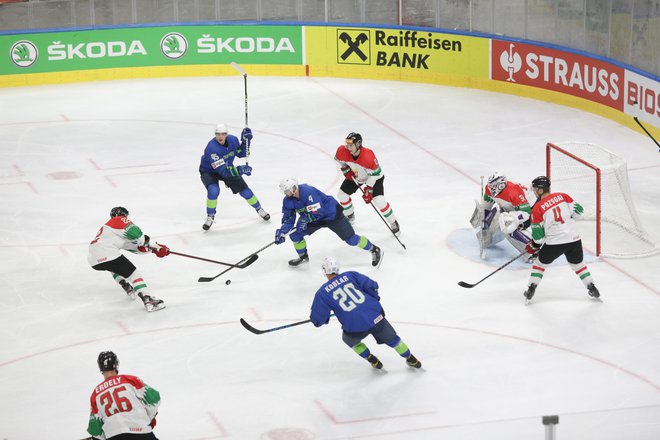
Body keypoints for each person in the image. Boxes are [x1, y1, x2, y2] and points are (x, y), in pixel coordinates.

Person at [310, 257, 421, 370]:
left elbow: (318, 318)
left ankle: (371, 358)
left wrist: (319, 320)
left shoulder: (322, 293)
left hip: (355, 326)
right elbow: (371, 286)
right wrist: (373, 299)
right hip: (375, 316)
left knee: (348, 339)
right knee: (394, 340)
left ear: (324, 270)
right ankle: (410, 358)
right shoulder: (351, 275)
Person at [523, 176, 601, 303]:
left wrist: (532, 247)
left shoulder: (537, 209)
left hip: (555, 243)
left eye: (536, 189)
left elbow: (539, 238)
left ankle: (531, 289)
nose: (534, 191)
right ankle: (591, 287)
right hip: (574, 239)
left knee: (539, 264)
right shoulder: (563, 196)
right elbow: (579, 212)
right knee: (579, 265)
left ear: (541, 191)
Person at [274, 177, 383, 267]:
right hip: (313, 219)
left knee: (351, 239)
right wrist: (283, 231)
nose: (285, 193)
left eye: (286, 190)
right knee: (295, 235)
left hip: (331, 215)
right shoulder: (287, 201)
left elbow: (319, 211)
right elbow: (288, 219)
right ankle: (303, 257)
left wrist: (305, 220)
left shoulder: (307, 192)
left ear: (293, 188)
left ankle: (374, 249)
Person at [88, 207, 167, 312]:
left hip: (93, 259)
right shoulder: (118, 220)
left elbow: (134, 247)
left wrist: (154, 249)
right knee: (134, 274)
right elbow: (137, 234)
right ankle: (148, 300)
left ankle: (125, 285)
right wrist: (146, 242)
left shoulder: (112, 231)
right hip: (107, 252)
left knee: (112, 266)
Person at [198, 123, 270, 230]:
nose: (220, 137)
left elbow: (242, 153)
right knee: (213, 190)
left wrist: (246, 141)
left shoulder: (232, 140)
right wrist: (241, 170)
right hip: (209, 171)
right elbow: (224, 172)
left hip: (228, 167)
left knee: (245, 191)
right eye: (218, 134)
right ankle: (210, 216)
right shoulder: (211, 148)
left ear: (226, 134)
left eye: (223, 134)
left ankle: (259, 209)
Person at [335, 132, 400, 235]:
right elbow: (338, 160)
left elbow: (375, 174)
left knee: (378, 201)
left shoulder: (368, 156)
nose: (348, 147)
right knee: (342, 195)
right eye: (347, 144)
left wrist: (369, 189)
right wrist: (345, 168)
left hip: (374, 177)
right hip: (357, 176)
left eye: (351, 145)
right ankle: (350, 216)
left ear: (358, 144)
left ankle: (393, 222)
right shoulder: (342, 150)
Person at [87, 351, 160, 440]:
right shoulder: (130, 380)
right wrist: (148, 419)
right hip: (141, 432)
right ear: (115, 364)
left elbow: (95, 428)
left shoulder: (96, 394)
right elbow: (154, 399)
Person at [472, 171, 534, 257]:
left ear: (501, 185)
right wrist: (483, 217)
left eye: (493, 186)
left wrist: (513, 219)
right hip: (509, 209)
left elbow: (527, 213)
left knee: (508, 226)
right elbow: (486, 206)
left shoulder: (514, 192)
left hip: (528, 210)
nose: (491, 188)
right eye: (490, 185)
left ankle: (531, 251)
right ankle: (487, 239)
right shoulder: (489, 189)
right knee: (496, 219)